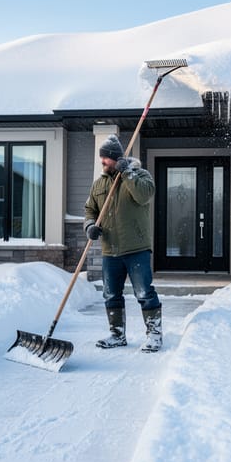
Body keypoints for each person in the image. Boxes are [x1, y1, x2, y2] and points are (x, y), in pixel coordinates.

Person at [84, 134, 163, 352]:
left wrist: (126, 171)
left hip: (136, 247)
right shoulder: (99, 183)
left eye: (105, 159)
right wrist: (89, 226)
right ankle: (117, 334)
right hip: (110, 250)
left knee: (145, 293)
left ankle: (154, 335)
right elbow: (90, 209)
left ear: (115, 158)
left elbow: (144, 195)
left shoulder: (139, 175)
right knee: (111, 294)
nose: (102, 162)